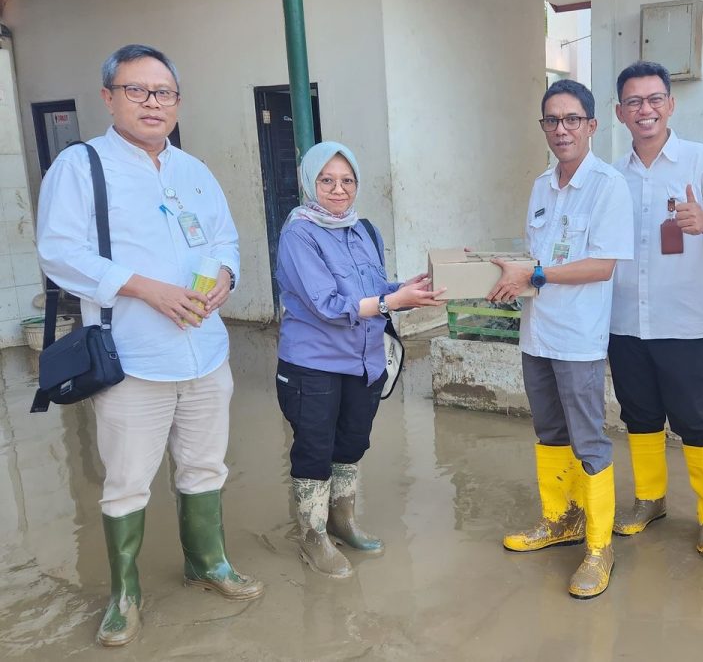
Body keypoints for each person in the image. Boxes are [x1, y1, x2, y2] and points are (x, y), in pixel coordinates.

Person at [36, 44, 262, 647]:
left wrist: (224, 279)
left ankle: (207, 561)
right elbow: (60, 253)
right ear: (108, 97)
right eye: (137, 90)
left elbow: (225, 239)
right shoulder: (80, 167)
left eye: (163, 93)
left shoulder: (194, 170)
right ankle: (125, 592)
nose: (152, 103)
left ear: (178, 103)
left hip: (205, 349)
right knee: (128, 478)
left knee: (205, 463)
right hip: (132, 356)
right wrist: (144, 290)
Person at [275, 141, 445, 579]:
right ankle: (313, 537)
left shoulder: (364, 229)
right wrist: (393, 301)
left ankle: (343, 521)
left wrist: (404, 288)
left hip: (364, 360)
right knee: (314, 448)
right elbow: (328, 305)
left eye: (347, 180)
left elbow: (371, 288)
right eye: (327, 180)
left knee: (351, 442)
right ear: (310, 183)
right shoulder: (299, 233)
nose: (338, 190)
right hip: (314, 364)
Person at [490, 79, 633, 599]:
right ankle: (560, 519)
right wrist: (507, 275)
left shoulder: (608, 186)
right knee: (549, 432)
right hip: (538, 333)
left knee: (588, 439)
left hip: (578, 339)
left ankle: (599, 546)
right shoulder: (541, 184)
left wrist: (538, 275)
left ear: (592, 125)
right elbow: (535, 260)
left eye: (572, 119)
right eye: (552, 120)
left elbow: (602, 265)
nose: (561, 129)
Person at [608, 61, 703, 557]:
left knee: (695, 420)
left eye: (654, 100)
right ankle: (650, 500)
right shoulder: (611, 174)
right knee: (639, 415)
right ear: (620, 112)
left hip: (682, 320)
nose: (645, 110)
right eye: (634, 102)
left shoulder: (700, 160)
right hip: (624, 320)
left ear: (670, 104)